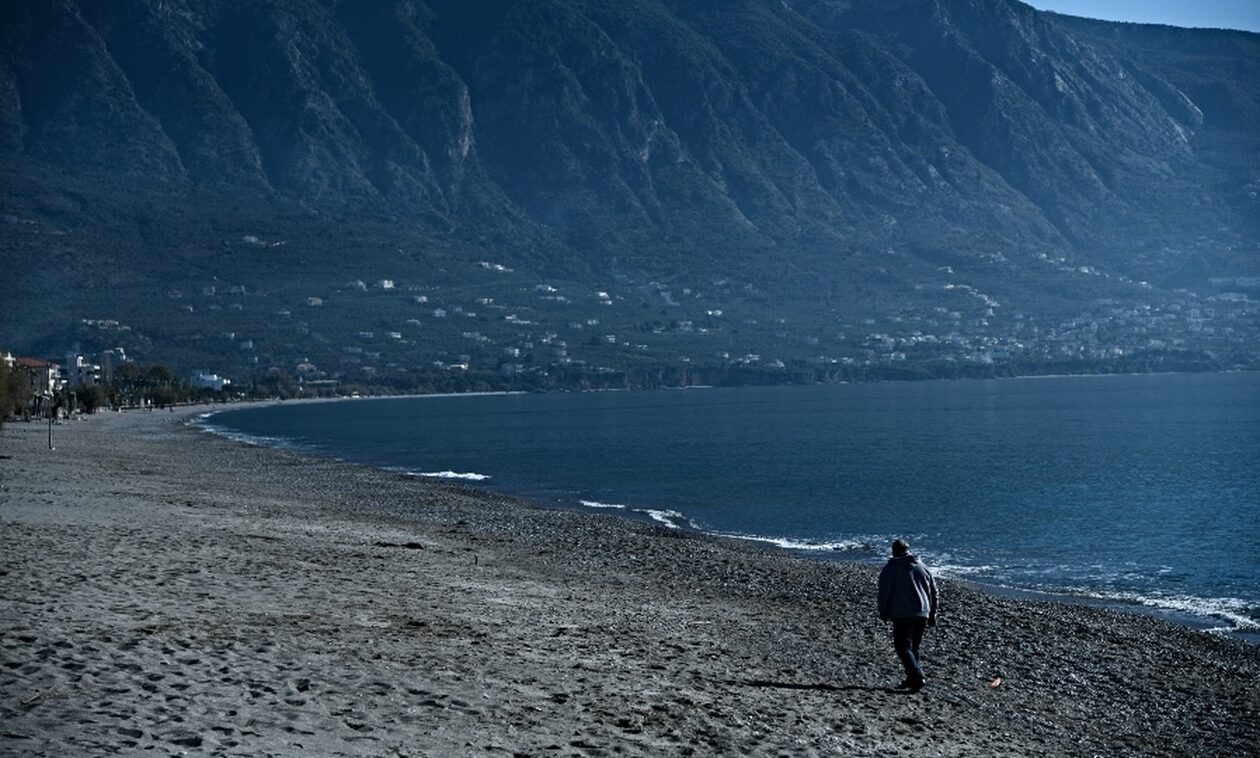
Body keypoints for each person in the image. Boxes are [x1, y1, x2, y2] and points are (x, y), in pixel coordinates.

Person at [877, 539, 939, 691]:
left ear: (894, 551)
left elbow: (884, 591)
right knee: (914, 647)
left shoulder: (892, 568)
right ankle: (912, 678)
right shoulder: (923, 567)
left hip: (903, 612)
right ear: (909, 550)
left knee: (903, 647)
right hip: (922, 612)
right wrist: (932, 613)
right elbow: (934, 592)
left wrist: (883, 610)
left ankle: (917, 676)